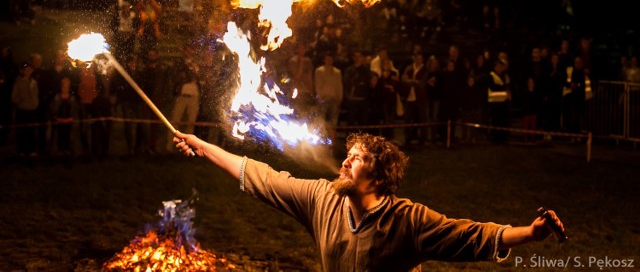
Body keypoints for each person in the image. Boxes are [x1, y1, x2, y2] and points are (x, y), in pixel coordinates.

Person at [172, 131, 565, 271]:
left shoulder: (408, 220)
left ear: (377, 177)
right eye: (348, 155)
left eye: (356, 159)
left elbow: (471, 236)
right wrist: (203, 147)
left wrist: (530, 233)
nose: (344, 161)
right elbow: (262, 177)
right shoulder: (321, 198)